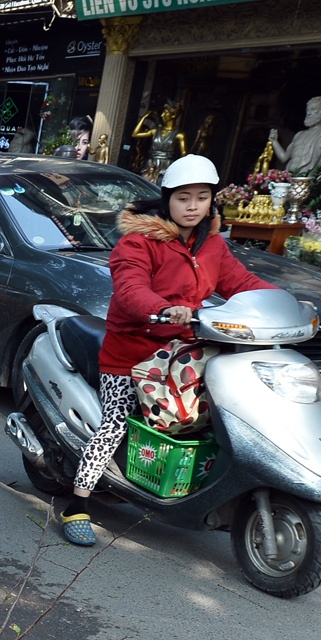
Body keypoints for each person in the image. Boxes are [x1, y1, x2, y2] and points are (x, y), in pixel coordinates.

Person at [59, 154, 273, 546]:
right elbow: (130, 289)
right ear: (166, 200)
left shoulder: (212, 246)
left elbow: (242, 282)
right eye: (183, 198)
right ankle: (77, 503)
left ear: (213, 201)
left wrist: (283, 304)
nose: (193, 206)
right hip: (132, 354)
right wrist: (161, 308)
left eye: (202, 197)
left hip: (189, 351)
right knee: (115, 424)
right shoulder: (137, 243)